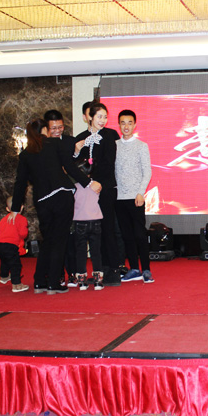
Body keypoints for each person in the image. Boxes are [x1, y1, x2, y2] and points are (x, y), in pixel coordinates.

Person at [10, 119, 101, 294]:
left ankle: (39, 282)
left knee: (48, 241)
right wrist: (89, 182)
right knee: (59, 241)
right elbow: (70, 167)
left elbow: (20, 183)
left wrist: (15, 208)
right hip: (61, 196)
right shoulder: (54, 144)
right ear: (45, 129)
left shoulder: (26, 153)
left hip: (42, 201)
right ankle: (53, 283)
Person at [74, 103, 125, 286]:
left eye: (105, 117)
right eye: (99, 117)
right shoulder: (80, 138)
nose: (103, 120)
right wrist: (76, 151)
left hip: (105, 188)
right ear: (90, 117)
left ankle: (113, 270)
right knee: (93, 230)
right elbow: (74, 165)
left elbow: (109, 162)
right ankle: (98, 270)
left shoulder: (110, 135)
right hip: (87, 191)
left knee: (108, 228)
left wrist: (97, 181)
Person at [115, 109, 155, 283]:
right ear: (119, 125)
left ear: (134, 125)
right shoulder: (114, 145)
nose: (126, 126)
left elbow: (147, 172)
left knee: (139, 235)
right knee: (127, 236)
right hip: (118, 197)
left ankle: (146, 269)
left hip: (136, 197)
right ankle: (134, 269)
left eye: (129, 123)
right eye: (123, 123)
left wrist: (140, 192)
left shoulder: (141, 146)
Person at [44, 109, 79, 287]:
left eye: (60, 127)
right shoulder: (41, 146)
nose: (57, 131)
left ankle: (72, 273)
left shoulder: (70, 142)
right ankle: (56, 274)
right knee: (52, 238)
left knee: (69, 236)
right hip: (48, 197)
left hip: (67, 196)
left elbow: (76, 167)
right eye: (53, 128)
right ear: (46, 129)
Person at [73, 180, 104, 290]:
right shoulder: (97, 185)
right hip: (95, 220)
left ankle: (81, 280)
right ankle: (98, 280)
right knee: (96, 252)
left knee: (80, 251)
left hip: (80, 220)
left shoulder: (75, 187)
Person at [0, 196, 29, 293]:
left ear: (7, 209)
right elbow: (23, 234)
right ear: (22, 207)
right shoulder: (22, 219)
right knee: (15, 265)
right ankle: (16, 284)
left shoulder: (3, 219)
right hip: (11, 245)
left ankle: (4, 276)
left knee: (4, 261)